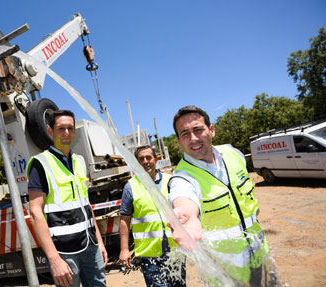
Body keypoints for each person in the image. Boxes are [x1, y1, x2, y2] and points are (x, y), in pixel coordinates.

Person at [168, 105, 274, 286]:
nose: (193, 138)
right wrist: (187, 218)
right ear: (178, 141)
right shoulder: (182, 177)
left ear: (212, 130)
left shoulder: (233, 154)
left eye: (198, 130)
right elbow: (184, 200)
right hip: (224, 272)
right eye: (185, 133)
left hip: (260, 254)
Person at [27, 109, 108, 287]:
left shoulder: (79, 161)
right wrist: (54, 259)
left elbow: (86, 205)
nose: (66, 133)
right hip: (64, 251)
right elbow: (35, 213)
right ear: (50, 131)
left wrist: (99, 242)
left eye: (70, 128)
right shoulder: (41, 164)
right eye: (61, 128)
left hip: (90, 245)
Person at [119, 145, 186, 287]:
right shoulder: (131, 187)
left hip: (175, 250)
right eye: (141, 159)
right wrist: (124, 249)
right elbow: (124, 220)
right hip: (150, 253)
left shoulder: (171, 180)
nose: (145, 161)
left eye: (148, 157)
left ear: (156, 159)